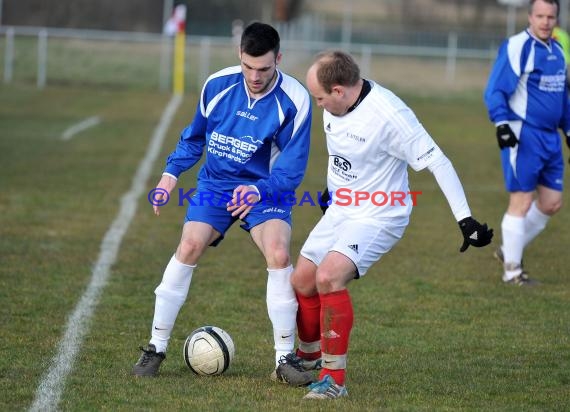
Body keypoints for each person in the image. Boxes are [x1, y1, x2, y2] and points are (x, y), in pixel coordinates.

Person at [272, 50, 494, 399]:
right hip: (343, 209)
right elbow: (339, 153)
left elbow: (439, 161)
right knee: (302, 280)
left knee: (328, 277)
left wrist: (465, 220)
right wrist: (332, 192)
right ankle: (311, 354)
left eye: (320, 98)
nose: (318, 106)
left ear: (340, 90)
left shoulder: (391, 116)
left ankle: (334, 381)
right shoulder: (337, 104)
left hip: (381, 214)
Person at [132, 22, 312, 377]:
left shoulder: (295, 100)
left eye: (263, 68)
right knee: (188, 247)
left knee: (278, 253)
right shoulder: (217, 85)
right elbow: (194, 137)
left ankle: (284, 360)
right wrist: (171, 174)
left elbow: (292, 169)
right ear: (239, 56)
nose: (255, 76)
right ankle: (155, 348)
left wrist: (259, 190)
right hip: (216, 185)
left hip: (265, 189)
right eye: (248, 66)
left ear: (279, 59)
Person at [484, 0, 570, 286]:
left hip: (550, 138)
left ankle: (510, 248)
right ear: (530, 16)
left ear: (557, 18)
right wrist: (502, 124)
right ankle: (512, 272)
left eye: (551, 17)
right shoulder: (518, 46)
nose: (546, 22)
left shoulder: (557, 50)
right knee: (521, 201)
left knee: (551, 203)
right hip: (524, 134)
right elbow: (495, 89)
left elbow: (562, 97)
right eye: (540, 16)